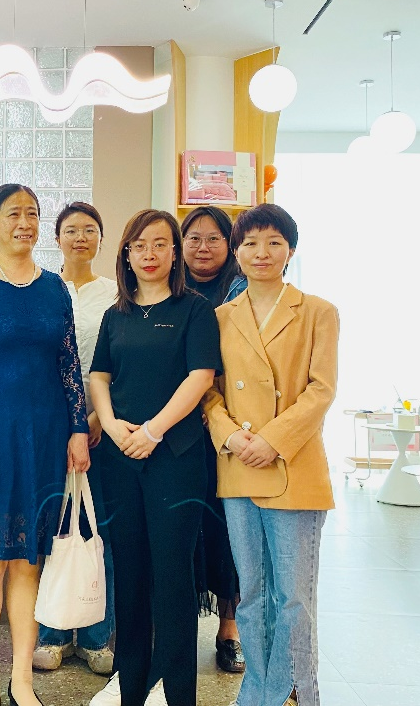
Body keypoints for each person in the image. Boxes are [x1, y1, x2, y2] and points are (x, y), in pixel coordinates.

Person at [0, 184, 90, 706]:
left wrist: (78, 428)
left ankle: (21, 677)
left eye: (31, 214)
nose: (24, 223)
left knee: (29, 561)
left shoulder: (55, 288)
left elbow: (69, 364)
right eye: (12, 214)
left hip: (46, 433)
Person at [203, 204, 339, 706]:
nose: (262, 252)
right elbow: (209, 391)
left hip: (294, 467)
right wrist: (231, 437)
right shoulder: (220, 317)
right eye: (251, 243)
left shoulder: (318, 311)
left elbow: (321, 390)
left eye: (274, 242)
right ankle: (257, 691)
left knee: (294, 597)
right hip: (238, 465)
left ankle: (294, 693)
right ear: (236, 252)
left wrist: (273, 440)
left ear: (291, 251)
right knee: (252, 593)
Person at [88, 209, 222, 706]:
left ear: (174, 253)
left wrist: (152, 430)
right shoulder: (116, 314)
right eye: (139, 245)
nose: (149, 254)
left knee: (172, 576)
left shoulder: (195, 310)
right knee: (130, 574)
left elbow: (200, 376)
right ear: (127, 253)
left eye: (160, 244)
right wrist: (111, 423)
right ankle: (131, 689)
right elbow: (99, 376)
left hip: (175, 458)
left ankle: (178, 692)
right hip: (120, 458)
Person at [33, 201, 117, 676]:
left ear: (101, 239)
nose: (80, 238)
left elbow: (121, 361)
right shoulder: (43, 288)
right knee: (53, 526)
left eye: (89, 230)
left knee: (97, 527)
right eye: (71, 230)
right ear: (57, 238)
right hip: (50, 422)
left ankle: (97, 636)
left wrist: (99, 417)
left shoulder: (116, 294)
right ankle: (52, 633)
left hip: (104, 424)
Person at [180, 207, 246, 675]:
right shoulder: (167, 287)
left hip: (230, 427)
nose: (203, 248)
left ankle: (229, 628)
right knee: (183, 525)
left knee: (228, 528)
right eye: (194, 239)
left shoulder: (242, 291)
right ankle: (176, 623)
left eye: (213, 239)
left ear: (230, 245)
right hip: (178, 425)